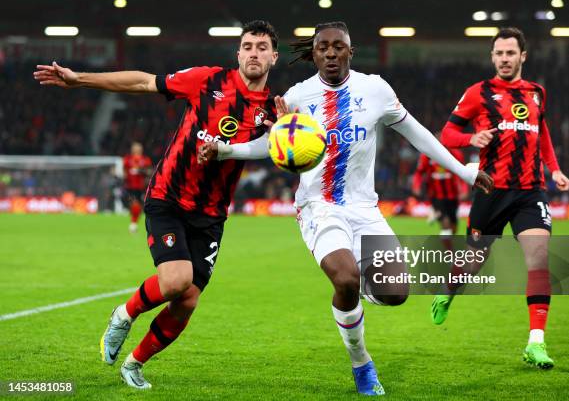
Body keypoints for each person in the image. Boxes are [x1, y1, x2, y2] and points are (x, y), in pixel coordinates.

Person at [198, 21, 492, 395]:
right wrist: (227, 150)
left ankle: (357, 298)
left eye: (339, 47)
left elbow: (419, 134)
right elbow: (269, 145)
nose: (331, 53)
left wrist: (463, 171)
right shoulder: (298, 98)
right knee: (345, 276)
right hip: (318, 206)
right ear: (315, 53)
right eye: (323, 48)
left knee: (396, 292)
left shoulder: (376, 89)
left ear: (350, 52)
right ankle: (361, 363)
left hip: (364, 209)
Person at [34, 20, 278, 389]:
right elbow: (143, 82)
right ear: (238, 53)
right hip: (169, 197)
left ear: (274, 57)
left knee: (188, 300)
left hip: (211, 214)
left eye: (262, 47)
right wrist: (79, 78)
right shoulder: (207, 80)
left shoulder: (273, 110)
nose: (254, 53)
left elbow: (276, 150)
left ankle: (134, 363)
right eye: (247, 46)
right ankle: (123, 314)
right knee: (175, 281)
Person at [433, 27, 569, 369]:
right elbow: (447, 134)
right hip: (490, 190)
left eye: (511, 53)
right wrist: (471, 139)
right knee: (474, 262)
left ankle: (535, 343)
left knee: (539, 260)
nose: (505, 59)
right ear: (492, 57)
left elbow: (543, 135)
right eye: (499, 53)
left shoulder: (537, 93)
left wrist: (554, 169)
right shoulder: (478, 93)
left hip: (530, 191)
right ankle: (449, 290)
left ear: (522, 56)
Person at [412, 132, 468, 248]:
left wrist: (464, 189)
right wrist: (416, 187)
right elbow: (419, 173)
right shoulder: (426, 156)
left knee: (453, 227)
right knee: (446, 224)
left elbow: (462, 173)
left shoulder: (456, 154)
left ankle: (446, 242)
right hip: (436, 196)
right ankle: (449, 255)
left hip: (453, 196)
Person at [123, 142, 153, 233]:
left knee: (140, 207)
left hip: (142, 188)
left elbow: (149, 172)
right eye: (134, 148)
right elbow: (124, 173)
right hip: (130, 188)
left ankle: (134, 224)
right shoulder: (127, 159)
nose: (136, 150)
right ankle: (133, 224)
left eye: (138, 148)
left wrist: (141, 171)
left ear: (141, 150)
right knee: (135, 205)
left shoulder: (146, 160)